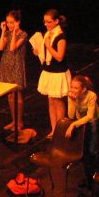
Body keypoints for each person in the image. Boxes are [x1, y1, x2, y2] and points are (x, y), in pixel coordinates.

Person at [34, 9, 71, 138]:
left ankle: (60, 130)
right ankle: (54, 128)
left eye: (49, 22)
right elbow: (45, 54)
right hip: (48, 71)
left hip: (58, 73)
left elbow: (60, 57)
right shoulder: (47, 34)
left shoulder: (60, 36)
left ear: (56, 21)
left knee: (58, 101)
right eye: (45, 22)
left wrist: (49, 46)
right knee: (51, 100)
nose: (46, 24)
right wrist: (39, 51)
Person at [65, 75, 99, 187]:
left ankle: (96, 176)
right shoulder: (71, 96)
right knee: (84, 151)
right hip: (80, 121)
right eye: (72, 87)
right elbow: (71, 115)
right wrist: (72, 101)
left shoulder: (91, 95)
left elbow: (90, 116)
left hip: (92, 121)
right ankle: (88, 178)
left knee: (92, 150)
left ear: (84, 89)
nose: (72, 90)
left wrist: (73, 125)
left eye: (76, 88)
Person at [0, 10, 28, 131]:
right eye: (8, 23)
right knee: (10, 96)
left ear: (18, 22)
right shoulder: (7, 33)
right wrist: (3, 31)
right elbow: (0, 47)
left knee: (17, 94)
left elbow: (12, 48)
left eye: (12, 22)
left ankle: (19, 122)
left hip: (16, 66)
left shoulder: (23, 34)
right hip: (6, 65)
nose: (9, 25)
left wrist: (14, 32)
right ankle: (13, 121)